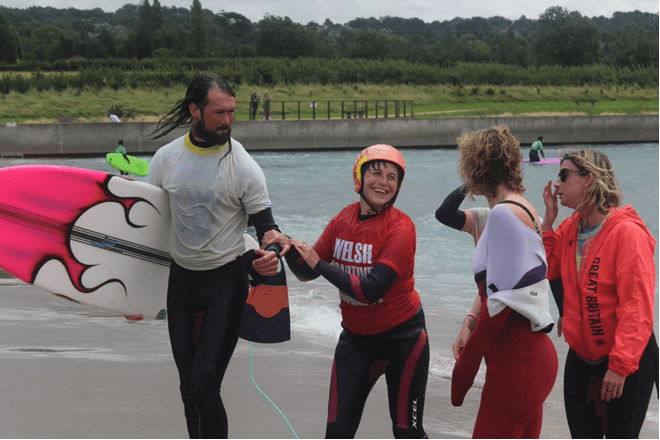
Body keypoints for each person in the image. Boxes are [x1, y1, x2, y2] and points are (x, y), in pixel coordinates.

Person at [147, 72, 286, 439]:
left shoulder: (243, 167)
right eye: (219, 112)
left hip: (225, 284)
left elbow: (267, 228)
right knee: (187, 387)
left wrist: (272, 252)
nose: (228, 120)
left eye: (232, 112)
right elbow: (152, 228)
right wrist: (138, 293)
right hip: (181, 283)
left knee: (204, 384)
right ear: (195, 110)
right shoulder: (165, 160)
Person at [264, 145, 429, 439]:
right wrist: (287, 244)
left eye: (393, 177)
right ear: (360, 176)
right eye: (376, 173)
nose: (384, 182)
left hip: (403, 340)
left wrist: (319, 263)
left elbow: (369, 290)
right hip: (356, 342)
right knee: (337, 431)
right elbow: (306, 272)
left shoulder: (402, 228)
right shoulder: (343, 220)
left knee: (407, 433)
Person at [541, 149, 659, 439]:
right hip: (582, 359)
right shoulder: (570, 228)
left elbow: (638, 307)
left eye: (564, 175)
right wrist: (548, 222)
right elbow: (545, 269)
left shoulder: (627, 233)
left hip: (624, 363)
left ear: (589, 180)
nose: (556, 183)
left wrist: (620, 366)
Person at [451, 125, 558, 439]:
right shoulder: (526, 210)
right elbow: (505, 291)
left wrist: (464, 373)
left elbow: (498, 309)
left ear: (475, 169)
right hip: (528, 360)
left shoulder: (503, 215)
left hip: (518, 363)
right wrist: (469, 322)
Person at [436, 186, 563, 361]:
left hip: (520, 323)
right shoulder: (483, 217)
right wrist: (470, 183)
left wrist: (563, 313)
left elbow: (552, 271)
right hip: (491, 314)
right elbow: (444, 214)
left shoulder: (531, 224)